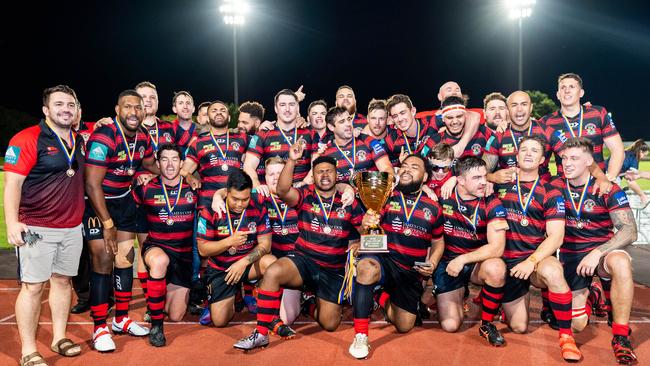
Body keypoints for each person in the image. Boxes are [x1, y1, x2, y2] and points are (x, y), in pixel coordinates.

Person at [233, 147, 364, 351]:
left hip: (333, 270)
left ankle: (309, 304)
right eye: (320, 171)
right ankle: (261, 333)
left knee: (330, 324)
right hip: (304, 262)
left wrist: (359, 242)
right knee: (274, 271)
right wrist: (292, 161)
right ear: (313, 175)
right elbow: (284, 190)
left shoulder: (349, 201)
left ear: (336, 174)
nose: (325, 175)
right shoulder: (305, 195)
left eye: (329, 171)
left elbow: (364, 229)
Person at [5, 85, 85, 365]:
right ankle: (28, 351)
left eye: (71, 105)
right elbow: (13, 183)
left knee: (63, 283)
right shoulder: (28, 138)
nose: (66, 109)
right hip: (37, 228)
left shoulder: (79, 139)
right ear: (46, 110)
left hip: (72, 226)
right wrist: (12, 222)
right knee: (33, 287)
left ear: (76, 110)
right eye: (59, 104)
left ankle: (59, 337)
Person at [550, 138, 638, 365]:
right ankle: (594, 293)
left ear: (589, 161)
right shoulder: (554, 186)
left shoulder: (607, 187)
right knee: (578, 325)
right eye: (565, 158)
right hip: (571, 256)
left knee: (620, 262)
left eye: (574, 158)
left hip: (602, 253)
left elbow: (630, 231)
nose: (567, 163)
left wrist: (598, 252)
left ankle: (620, 337)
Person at [84, 89, 160, 352]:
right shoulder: (105, 135)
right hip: (99, 204)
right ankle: (99, 327)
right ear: (118, 110)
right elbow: (92, 185)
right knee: (103, 260)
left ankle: (121, 318)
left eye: (138, 108)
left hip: (125, 200)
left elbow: (151, 163)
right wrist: (107, 224)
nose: (134, 112)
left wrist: (178, 174)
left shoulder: (143, 136)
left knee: (125, 259)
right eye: (128, 107)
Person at [349, 154, 445, 359]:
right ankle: (360, 335)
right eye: (404, 166)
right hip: (385, 261)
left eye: (415, 167)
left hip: (411, 272)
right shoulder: (384, 196)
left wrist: (433, 262)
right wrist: (365, 224)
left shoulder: (434, 208)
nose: (407, 169)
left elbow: (438, 242)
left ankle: (379, 296)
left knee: (404, 325)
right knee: (366, 268)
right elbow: (367, 230)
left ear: (426, 177)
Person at [495, 135, 581, 362]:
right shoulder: (498, 185)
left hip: (536, 260)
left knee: (553, 271)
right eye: (524, 149)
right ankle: (507, 304)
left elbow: (556, 236)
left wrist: (531, 261)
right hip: (506, 261)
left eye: (535, 150)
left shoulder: (551, 191)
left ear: (543, 159)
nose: (529, 153)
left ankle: (566, 337)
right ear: (517, 155)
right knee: (519, 327)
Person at [434, 157, 509, 346]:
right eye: (476, 178)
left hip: (476, 263)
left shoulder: (492, 202)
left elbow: (497, 247)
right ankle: (457, 292)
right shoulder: (443, 195)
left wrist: (463, 260)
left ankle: (487, 324)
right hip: (448, 263)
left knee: (497, 268)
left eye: (484, 176)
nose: (484, 182)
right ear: (459, 180)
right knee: (451, 325)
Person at [132, 144, 198, 347]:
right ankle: (157, 327)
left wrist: (219, 197)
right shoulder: (145, 188)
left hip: (183, 255)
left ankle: (157, 298)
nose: (170, 164)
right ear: (158, 163)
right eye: (165, 159)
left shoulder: (194, 188)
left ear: (181, 163)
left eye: (174, 159)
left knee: (177, 315)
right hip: (157, 246)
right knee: (160, 261)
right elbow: (126, 211)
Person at [197, 169, 276, 327]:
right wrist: (229, 241)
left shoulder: (258, 205)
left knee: (272, 263)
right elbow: (203, 250)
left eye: (244, 199)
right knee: (219, 321)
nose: (240, 204)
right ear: (226, 193)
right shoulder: (210, 209)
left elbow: (265, 245)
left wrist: (243, 262)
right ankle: (234, 295)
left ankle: (269, 315)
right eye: (235, 199)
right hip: (221, 269)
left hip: (246, 265)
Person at [542, 73, 625, 181]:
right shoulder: (547, 122)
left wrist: (610, 177)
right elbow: (541, 160)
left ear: (581, 93)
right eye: (563, 87)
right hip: (565, 187)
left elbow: (617, 149)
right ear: (558, 94)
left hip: (596, 184)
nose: (567, 91)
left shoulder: (598, 113)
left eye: (572, 87)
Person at [244, 89, 316, 195]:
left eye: (291, 104)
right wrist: (257, 185)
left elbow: (317, 164)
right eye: (282, 105)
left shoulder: (310, 132)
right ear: (276, 108)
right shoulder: (262, 134)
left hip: (303, 194)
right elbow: (248, 166)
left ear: (297, 107)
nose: (287, 109)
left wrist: (303, 184)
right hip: (273, 196)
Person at [182, 100, 250, 209]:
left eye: (223, 110)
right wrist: (188, 176)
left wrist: (263, 125)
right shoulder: (198, 142)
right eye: (214, 111)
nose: (219, 113)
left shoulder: (242, 138)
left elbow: (260, 144)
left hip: (237, 201)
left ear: (228, 118)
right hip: (208, 203)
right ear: (208, 119)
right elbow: (183, 171)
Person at [482, 91, 552, 184]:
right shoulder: (499, 135)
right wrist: (493, 177)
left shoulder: (546, 131)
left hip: (541, 190)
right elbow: (482, 172)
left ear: (531, 107)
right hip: (510, 192)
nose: (519, 109)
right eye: (514, 105)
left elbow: (571, 156)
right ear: (507, 110)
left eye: (524, 104)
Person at [317, 106, 393, 184]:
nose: (348, 124)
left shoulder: (369, 141)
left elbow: (386, 168)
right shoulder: (326, 152)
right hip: (344, 195)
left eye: (349, 119)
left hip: (372, 191)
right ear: (331, 127)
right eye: (342, 121)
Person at [425, 96, 496, 159]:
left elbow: (498, 142)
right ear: (443, 119)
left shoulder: (482, 132)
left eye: (459, 116)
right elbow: (421, 160)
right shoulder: (435, 140)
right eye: (450, 118)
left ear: (466, 115)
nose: (455, 121)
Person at [613, 139, 650, 207]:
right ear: (640, 151)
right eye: (644, 155)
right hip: (611, 179)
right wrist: (642, 195)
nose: (643, 157)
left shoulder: (625, 152)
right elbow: (630, 180)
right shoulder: (634, 159)